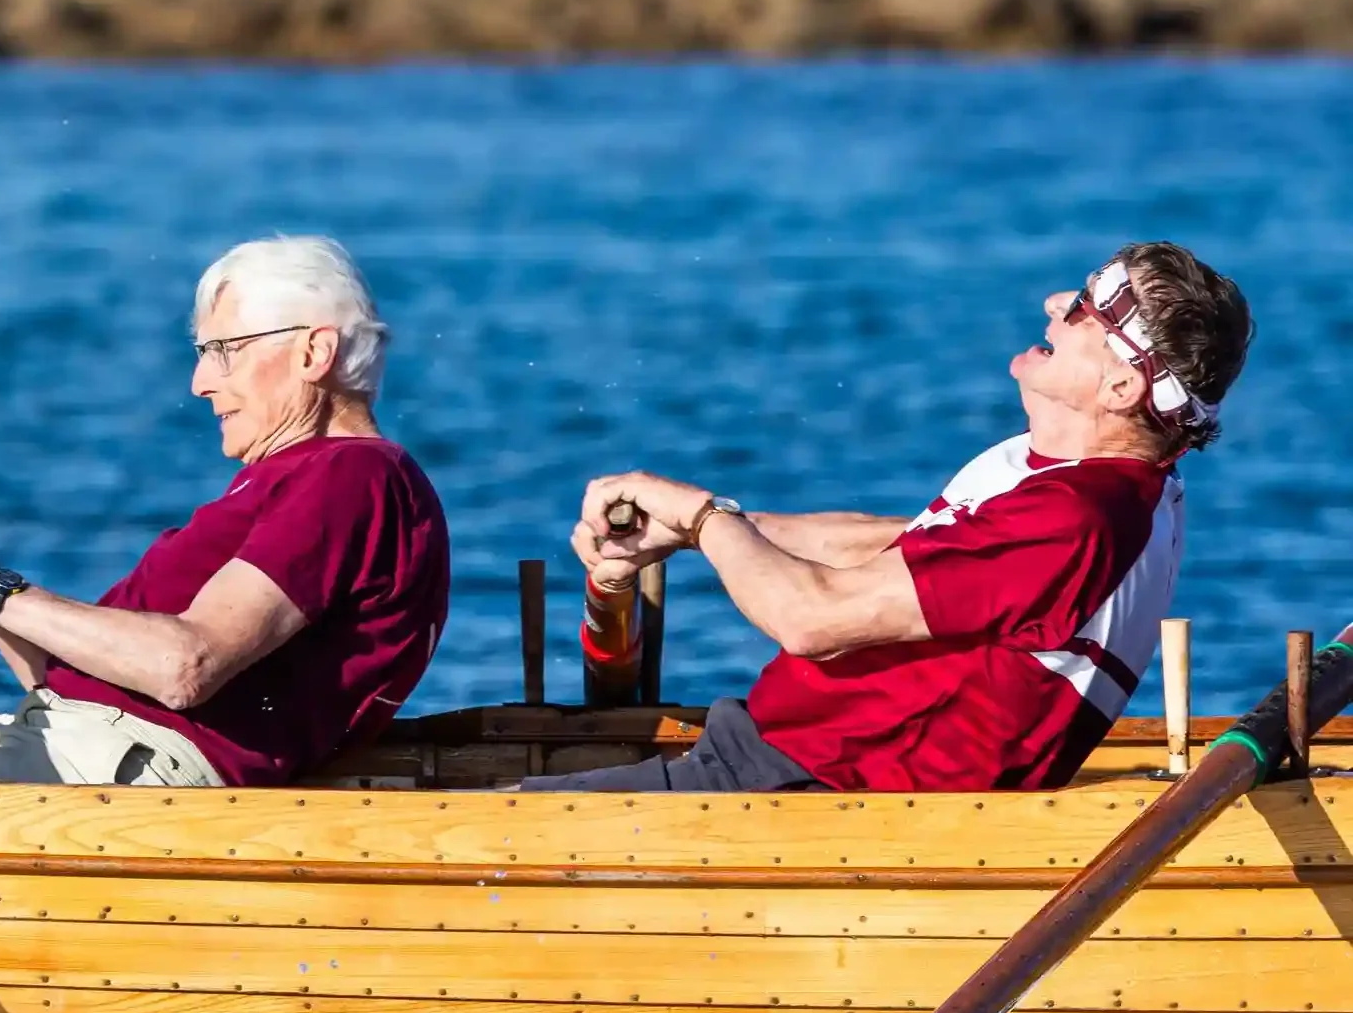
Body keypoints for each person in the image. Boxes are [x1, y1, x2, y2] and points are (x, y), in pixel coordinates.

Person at [533, 241, 1252, 793]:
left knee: (474, 826)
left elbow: (811, 621)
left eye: (1087, 308)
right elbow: (900, 550)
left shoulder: (1079, 515)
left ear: (1122, 384)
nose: (1053, 301)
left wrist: (701, 518)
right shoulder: (1081, 482)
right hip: (789, 766)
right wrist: (704, 532)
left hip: (811, 790)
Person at [0, 236, 450, 788]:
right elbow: (73, 681)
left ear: (314, 351)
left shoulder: (350, 476)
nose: (200, 382)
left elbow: (186, 666)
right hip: (100, 753)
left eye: (223, 351)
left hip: (127, 769)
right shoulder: (314, 481)